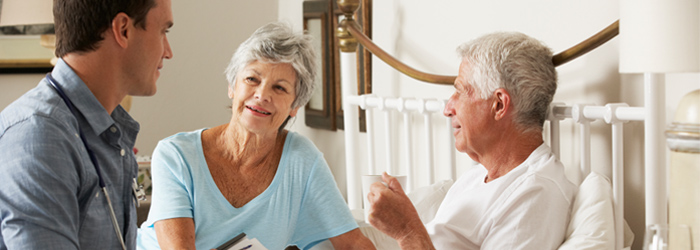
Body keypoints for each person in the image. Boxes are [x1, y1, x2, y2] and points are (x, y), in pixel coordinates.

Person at [136, 22, 374, 250]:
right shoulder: (175, 155)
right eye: (252, 79)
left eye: (279, 87)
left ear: (295, 106)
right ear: (232, 86)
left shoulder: (302, 160)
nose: (261, 95)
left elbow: (352, 244)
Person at [367, 32, 577, 249]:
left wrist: (407, 230)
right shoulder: (478, 175)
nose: (447, 109)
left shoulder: (535, 195)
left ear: (499, 105)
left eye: (460, 92)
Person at [0, 0, 174, 249]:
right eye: (163, 32)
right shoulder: (39, 136)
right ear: (123, 29)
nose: (168, 51)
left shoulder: (109, 133)